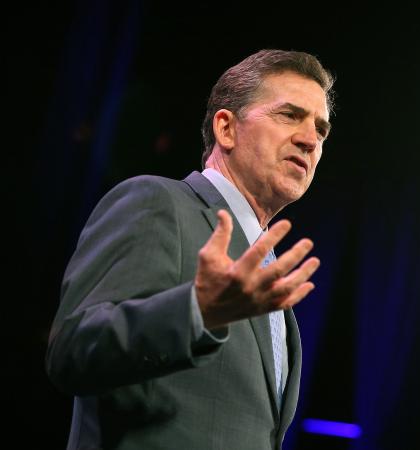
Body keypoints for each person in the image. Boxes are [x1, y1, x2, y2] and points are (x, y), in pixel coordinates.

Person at [46, 49, 334, 450]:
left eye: (321, 130)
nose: (309, 140)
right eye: (289, 115)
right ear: (226, 128)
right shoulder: (158, 203)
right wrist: (197, 312)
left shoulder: (265, 273)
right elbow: (73, 351)